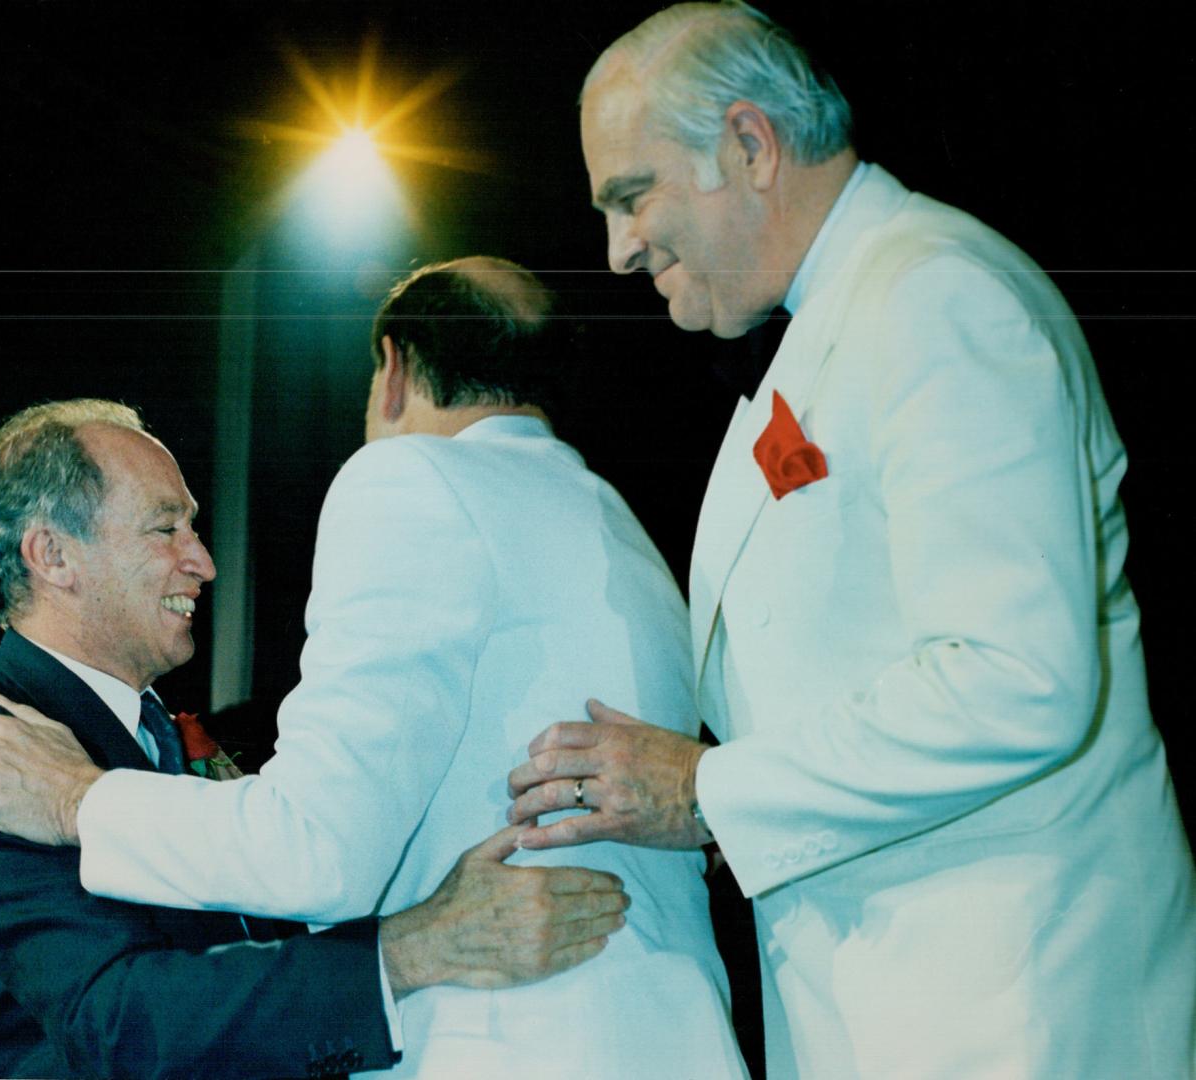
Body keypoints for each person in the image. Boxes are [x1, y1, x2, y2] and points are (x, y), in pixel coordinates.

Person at [503, 4, 1196, 1078]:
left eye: (630, 197)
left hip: (1006, 1007)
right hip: (889, 1004)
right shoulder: (836, 322)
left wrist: (705, 790)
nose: (617, 248)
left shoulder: (937, 295)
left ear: (748, 145)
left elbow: (1015, 679)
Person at [0, 259, 748, 1077]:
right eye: (164, 528)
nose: (204, 562)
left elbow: (307, 857)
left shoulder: (410, 481)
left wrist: (79, 799)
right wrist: (404, 951)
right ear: (52, 555)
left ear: (391, 369)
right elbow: (118, 1021)